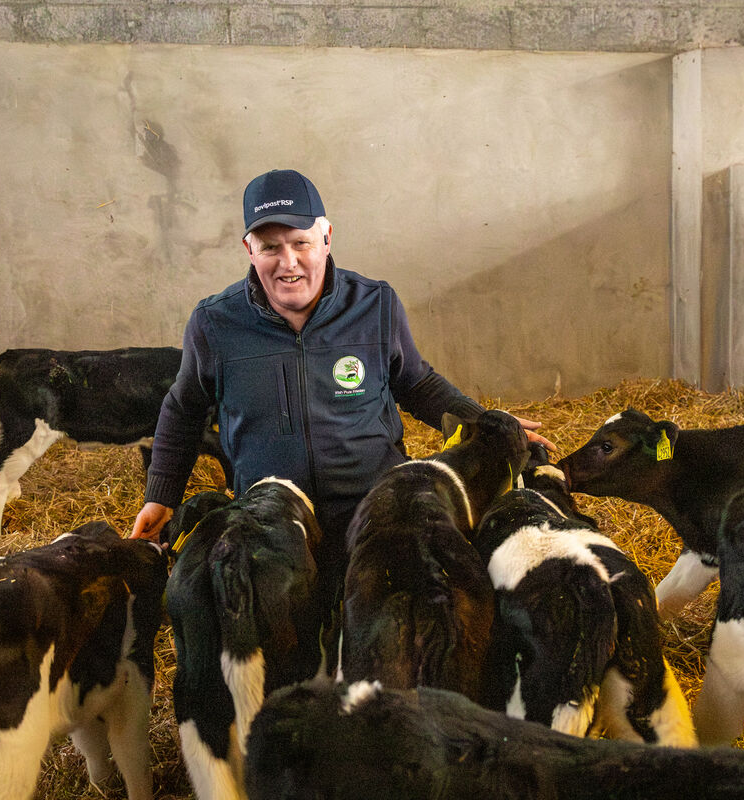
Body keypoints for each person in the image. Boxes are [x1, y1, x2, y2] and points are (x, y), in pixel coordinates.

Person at [130, 169, 552, 598]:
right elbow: (182, 410)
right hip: (272, 526)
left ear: (327, 238)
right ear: (249, 249)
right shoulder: (214, 323)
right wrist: (160, 496)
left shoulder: (374, 305)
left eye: (301, 243)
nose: (288, 262)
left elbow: (417, 382)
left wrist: (485, 423)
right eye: (270, 247)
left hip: (378, 514)